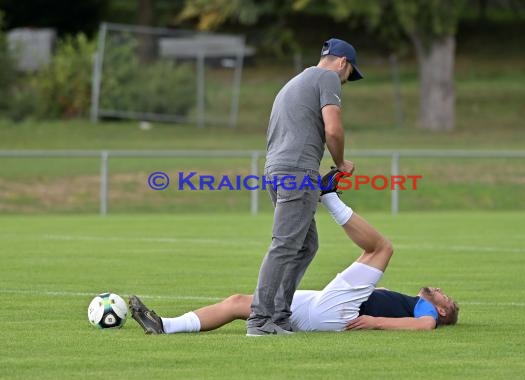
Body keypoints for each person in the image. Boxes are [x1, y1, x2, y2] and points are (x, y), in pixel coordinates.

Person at [129, 192, 459, 335]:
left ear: (442, 310)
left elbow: (424, 326)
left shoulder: (425, 310)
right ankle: (165, 326)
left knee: (382, 249)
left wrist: (374, 322)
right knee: (239, 303)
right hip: (322, 306)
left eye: (446, 298)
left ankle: (329, 197)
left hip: (336, 312)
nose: (441, 291)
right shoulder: (409, 302)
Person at [245, 38, 362, 336]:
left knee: (306, 244)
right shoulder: (328, 77)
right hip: (297, 171)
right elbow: (333, 128)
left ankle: (280, 318)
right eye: (349, 75)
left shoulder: (294, 82)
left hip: (276, 169)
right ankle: (260, 320)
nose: (346, 82)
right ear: (343, 63)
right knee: (284, 244)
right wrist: (341, 163)